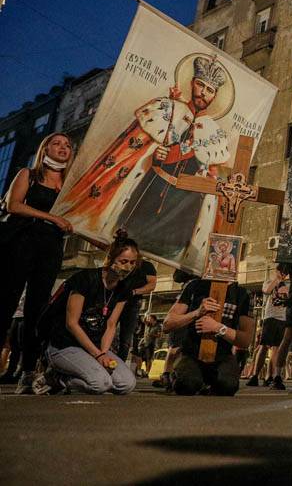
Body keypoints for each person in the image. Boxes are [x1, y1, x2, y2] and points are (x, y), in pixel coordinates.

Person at [58, 57, 232, 262]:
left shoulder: (213, 131)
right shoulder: (168, 109)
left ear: (214, 96)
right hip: (152, 189)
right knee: (131, 240)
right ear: (192, 83)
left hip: (184, 205)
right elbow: (137, 146)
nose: (203, 92)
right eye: (200, 85)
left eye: (210, 90)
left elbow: (212, 172)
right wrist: (155, 154)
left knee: (170, 249)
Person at [0, 133, 75, 393]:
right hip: (22, 242)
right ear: (45, 148)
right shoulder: (28, 174)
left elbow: (77, 221)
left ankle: (28, 372)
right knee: (7, 303)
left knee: (37, 311)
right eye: (57, 143)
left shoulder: (69, 185)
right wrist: (52, 218)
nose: (63, 147)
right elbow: (13, 206)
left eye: (67, 145)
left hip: (50, 248)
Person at [40, 236, 140, 395]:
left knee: (126, 384)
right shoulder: (85, 279)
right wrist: (98, 355)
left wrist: (104, 353)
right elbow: (71, 324)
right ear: (110, 259)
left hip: (95, 347)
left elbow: (111, 324)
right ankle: (56, 378)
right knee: (100, 384)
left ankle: (75, 375)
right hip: (65, 345)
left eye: (132, 263)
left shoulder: (124, 289)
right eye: (124, 261)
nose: (128, 267)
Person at [163, 272, 255, 396]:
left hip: (222, 355)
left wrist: (218, 328)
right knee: (187, 384)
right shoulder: (195, 286)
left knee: (228, 385)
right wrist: (196, 313)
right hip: (192, 354)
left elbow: (245, 340)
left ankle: (208, 384)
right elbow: (167, 324)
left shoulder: (242, 293)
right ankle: (176, 375)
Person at [246, 265, 290, 389]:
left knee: (276, 348)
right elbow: (267, 291)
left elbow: (287, 295)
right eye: (280, 271)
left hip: (282, 318)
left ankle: (271, 376)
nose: (282, 274)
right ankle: (255, 375)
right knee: (264, 346)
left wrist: (283, 284)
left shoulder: (288, 285)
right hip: (270, 316)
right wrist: (277, 280)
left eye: (284, 272)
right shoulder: (269, 281)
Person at [115, 250, 156, 365]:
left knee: (126, 338)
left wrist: (135, 292)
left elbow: (152, 284)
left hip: (132, 303)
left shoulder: (146, 266)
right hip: (115, 299)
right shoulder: (121, 261)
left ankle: (119, 365)